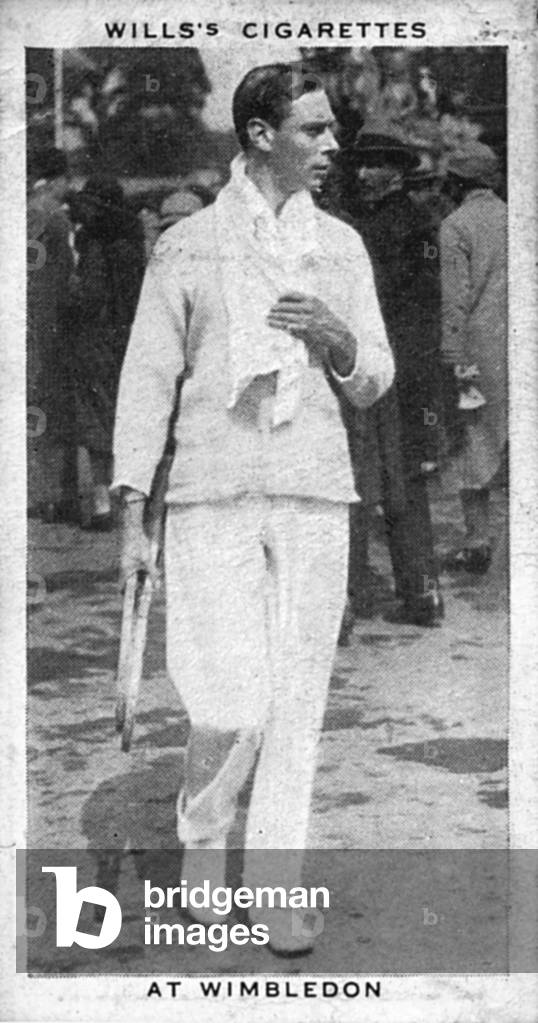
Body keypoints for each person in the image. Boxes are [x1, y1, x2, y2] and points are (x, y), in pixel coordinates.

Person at [112, 63, 394, 954]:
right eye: (315, 129)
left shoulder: (339, 246)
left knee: (298, 698)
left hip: (314, 488)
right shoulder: (188, 245)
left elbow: (375, 377)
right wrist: (132, 515)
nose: (333, 144)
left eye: (331, 129)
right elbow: (146, 379)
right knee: (228, 697)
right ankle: (202, 859)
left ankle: (273, 888)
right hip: (211, 492)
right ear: (261, 136)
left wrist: (338, 338)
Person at [327, 120, 444, 631]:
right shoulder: (420, 224)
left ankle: (350, 595)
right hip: (409, 368)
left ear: (396, 171)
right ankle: (420, 591)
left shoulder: (372, 230)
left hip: (385, 370)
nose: (363, 174)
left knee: (361, 479)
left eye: (374, 165)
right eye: (360, 165)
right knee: (405, 485)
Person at [439, 142, 507, 573]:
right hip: (519, 342)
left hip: (476, 350)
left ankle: (478, 539)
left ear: (457, 183)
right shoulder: (517, 217)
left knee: (472, 439)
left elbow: (455, 300)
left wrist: (452, 356)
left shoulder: (455, 225)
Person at [71, 176, 145, 528]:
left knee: (96, 418)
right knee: (126, 417)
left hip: (98, 339)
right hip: (130, 337)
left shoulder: (94, 243)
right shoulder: (134, 240)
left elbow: (90, 295)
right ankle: (132, 499)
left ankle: (102, 503)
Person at [27, 147, 76, 521]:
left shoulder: (26, 209)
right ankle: (52, 495)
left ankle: (40, 494)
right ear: (58, 178)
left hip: (30, 320)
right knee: (52, 410)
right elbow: (60, 275)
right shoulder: (53, 216)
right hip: (50, 324)